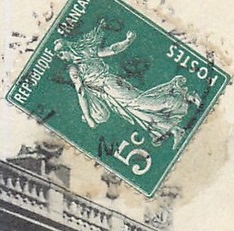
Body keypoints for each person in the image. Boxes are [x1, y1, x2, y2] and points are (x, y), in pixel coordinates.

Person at [53, 21, 200, 149]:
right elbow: (111, 50)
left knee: (143, 103)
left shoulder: (74, 68)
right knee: (139, 113)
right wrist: (127, 41)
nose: (61, 58)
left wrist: (88, 117)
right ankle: (175, 130)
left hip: (111, 87)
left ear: (67, 50)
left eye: (60, 55)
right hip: (110, 91)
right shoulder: (87, 52)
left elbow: (81, 93)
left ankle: (185, 96)